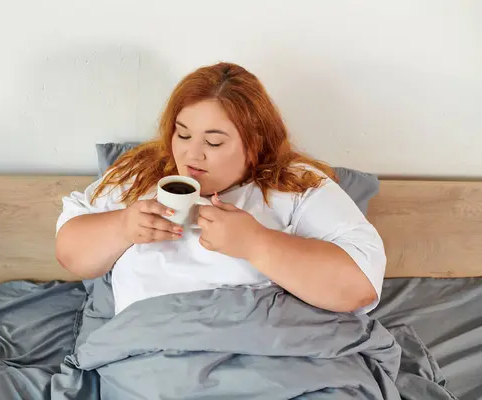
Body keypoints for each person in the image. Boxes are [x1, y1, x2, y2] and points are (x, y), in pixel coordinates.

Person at [55, 62, 386, 315]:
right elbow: (70, 253)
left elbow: (361, 287)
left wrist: (256, 244)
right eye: (182, 134)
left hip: (269, 346)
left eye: (213, 142)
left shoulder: (294, 184)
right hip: (155, 350)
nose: (191, 153)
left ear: (254, 142)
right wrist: (122, 227)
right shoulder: (141, 173)